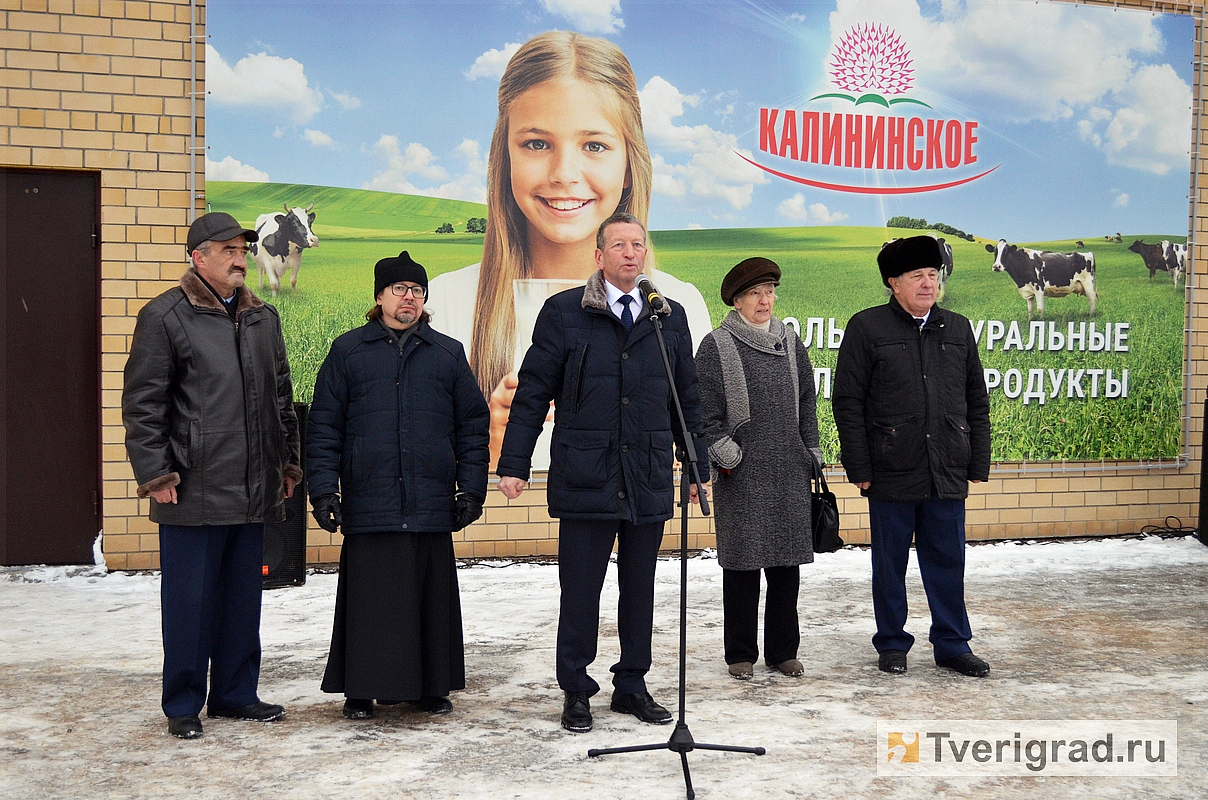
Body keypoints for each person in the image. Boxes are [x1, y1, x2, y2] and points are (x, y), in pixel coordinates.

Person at [425, 30, 712, 468]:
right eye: (537, 143)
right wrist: (487, 452)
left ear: (630, 164)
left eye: (594, 146)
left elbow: (692, 441)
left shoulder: (679, 305)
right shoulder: (444, 304)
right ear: (504, 157)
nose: (564, 173)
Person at [496, 213, 709, 733]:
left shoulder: (668, 316)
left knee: (640, 589)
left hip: (646, 472)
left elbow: (687, 399)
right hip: (585, 474)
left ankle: (632, 685)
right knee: (581, 590)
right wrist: (513, 464)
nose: (631, 254)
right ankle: (576, 690)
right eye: (619, 245)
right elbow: (532, 392)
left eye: (638, 244)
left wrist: (698, 467)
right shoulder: (565, 312)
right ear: (599, 255)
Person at [122, 212, 302, 739]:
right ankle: (182, 704)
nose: (240, 257)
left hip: (254, 486)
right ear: (198, 256)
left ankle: (235, 694)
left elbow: (280, 398)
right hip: (192, 488)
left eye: (243, 249)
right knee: (189, 604)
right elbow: (143, 403)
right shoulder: (165, 316)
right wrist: (156, 473)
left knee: (242, 600)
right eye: (228, 249)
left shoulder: (263, 317)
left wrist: (287, 462)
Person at [306, 251, 489, 719]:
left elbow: (472, 425)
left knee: (429, 601)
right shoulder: (348, 351)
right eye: (399, 289)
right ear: (379, 297)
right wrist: (324, 491)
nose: (409, 298)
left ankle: (431, 687)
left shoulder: (447, 353)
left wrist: (470, 489)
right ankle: (360, 690)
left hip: (429, 500)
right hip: (371, 500)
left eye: (417, 291)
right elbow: (324, 426)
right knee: (372, 602)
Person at [832, 235, 992, 678]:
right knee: (890, 565)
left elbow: (976, 399)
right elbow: (847, 402)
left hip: (945, 469)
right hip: (890, 468)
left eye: (933, 275)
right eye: (918, 276)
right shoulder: (867, 328)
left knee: (947, 561)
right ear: (893, 283)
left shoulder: (957, 328)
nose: (928, 284)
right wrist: (860, 467)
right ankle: (892, 643)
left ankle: (952, 644)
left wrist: (976, 461)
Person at [695, 257, 822, 681]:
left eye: (769, 291)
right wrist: (724, 450)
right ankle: (741, 654)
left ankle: (784, 651)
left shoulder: (790, 342)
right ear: (737, 299)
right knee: (743, 568)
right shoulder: (718, 346)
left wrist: (812, 450)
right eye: (755, 293)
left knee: (787, 568)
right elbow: (704, 413)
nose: (765, 300)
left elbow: (808, 401)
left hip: (789, 470)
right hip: (742, 475)